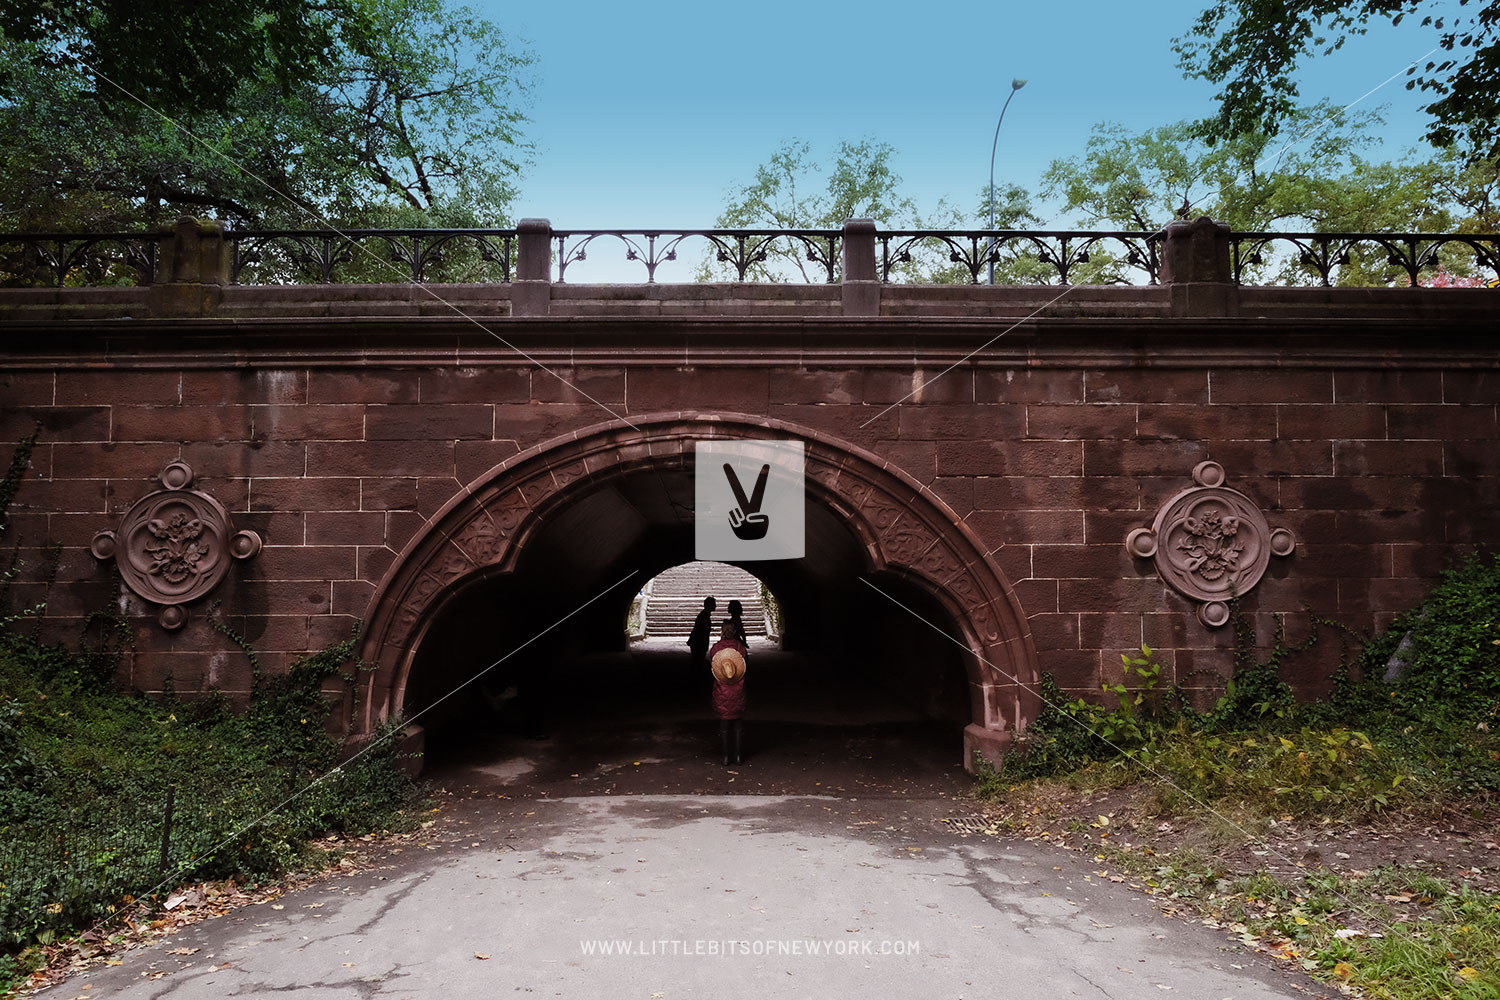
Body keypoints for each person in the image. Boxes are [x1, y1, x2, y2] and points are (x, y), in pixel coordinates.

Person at [708, 621, 748, 765]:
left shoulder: (716, 648)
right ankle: (738, 756)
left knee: (724, 723)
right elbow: (745, 666)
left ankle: (725, 757)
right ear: (735, 632)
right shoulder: (740, 648)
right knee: (738, 723)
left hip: (722, 692)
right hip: (738, 691)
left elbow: (712, 665)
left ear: (722, 632)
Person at [687, 596, 716, 674]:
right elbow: (699, 631)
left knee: (698, 662)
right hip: (699, 643)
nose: (715, 606)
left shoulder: (704, 615)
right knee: (698, 663)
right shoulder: (704, 616)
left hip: (698, 643)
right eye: (714, 604)